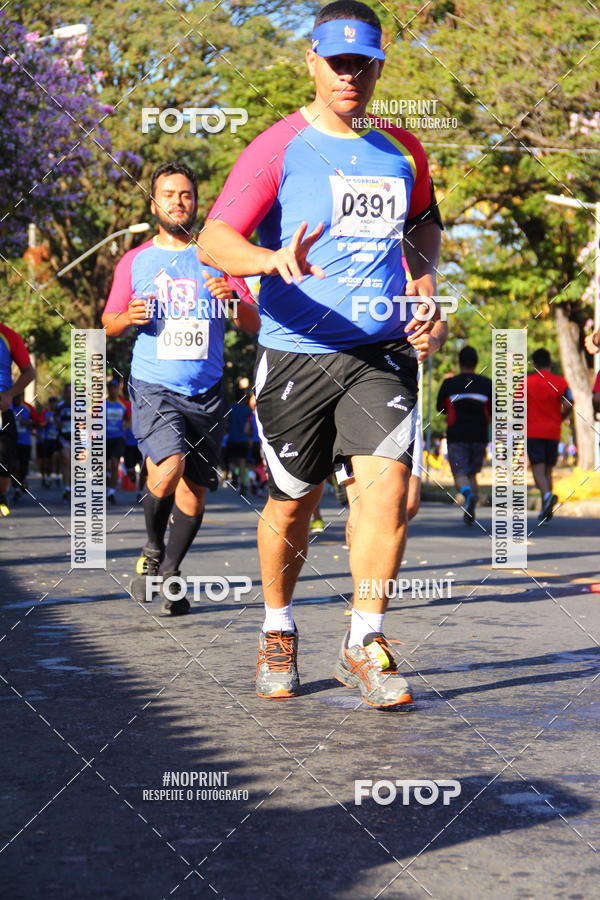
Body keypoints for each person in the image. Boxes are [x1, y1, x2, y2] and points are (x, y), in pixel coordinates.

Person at [199, 0, 445, 707]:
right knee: (294, 501)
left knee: (388, 491)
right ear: (311, 62)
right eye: (336, 62)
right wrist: (269, 258)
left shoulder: (403, 150)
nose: (349, 76)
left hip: (380, 352)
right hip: (296, 352)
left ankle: (364, 640)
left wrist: (423, 287)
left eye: (362, 64)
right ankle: (278, 627)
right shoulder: (277, 146)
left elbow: (425, 226)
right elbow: (217, 238)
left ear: (378, 66)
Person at [102, 162, 259, 616]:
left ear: (196, 203)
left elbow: (253, 324)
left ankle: (168, 571)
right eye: (168, 194)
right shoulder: (134, 260)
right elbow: (107, 323)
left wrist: (232, 300)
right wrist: (126, 319)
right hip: (155, 383)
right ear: (154, 203)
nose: (177, 201)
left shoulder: (219, 257)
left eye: (186, 195)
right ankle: (153, 548)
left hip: (208, 389)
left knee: (194, 490)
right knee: (167, 467)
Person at [436, 346, 492, 525]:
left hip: (456, 434)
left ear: (459, 363)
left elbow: (441, 408)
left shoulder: (449, 384)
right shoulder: (487, 384)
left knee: (459, 472)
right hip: (479, 435)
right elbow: (494, 410)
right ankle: (471, 507)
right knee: (473, 473)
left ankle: (467, 496)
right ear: (476, 362)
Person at [526, 348, 572, 524]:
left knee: (538, 468)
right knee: (548, 471)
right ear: (550, 363)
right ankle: (547, 510)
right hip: (553, 430)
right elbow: (569, 402)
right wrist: (561, 417)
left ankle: (546, 495)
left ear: (535, 364)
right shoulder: (560, 382)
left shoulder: (526, 382)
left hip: (533, 430)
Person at [0, 322, 35, 516]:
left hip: (1, 408)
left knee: (5, 458)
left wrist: (9, 395)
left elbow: (29, 372)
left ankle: (2, 494)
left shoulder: (8, 335)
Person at [105, 378, 129, 504]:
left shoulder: (124, 404)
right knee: (105, 467)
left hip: (118, 438)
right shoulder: (102, 404)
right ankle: (106, 483)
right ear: (108, 389)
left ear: (118, 389)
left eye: (115, 388)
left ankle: (111, 492)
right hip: (104, 438)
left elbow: (129, 419)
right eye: (110, 388)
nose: (113, 390)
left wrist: (125, 426)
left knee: (115, 464)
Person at [12, 392, 36, 499]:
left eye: (19, 397)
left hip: (25, 441)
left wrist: (26, 422)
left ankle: (23, 480)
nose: (17, 399)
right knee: (15, 465)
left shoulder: (26, 409)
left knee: (24, 466)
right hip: (12, 441)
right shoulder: (8, 408)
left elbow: (34, 422)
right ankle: (16, 488)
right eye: (16, 396)